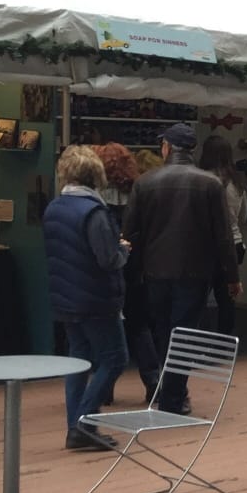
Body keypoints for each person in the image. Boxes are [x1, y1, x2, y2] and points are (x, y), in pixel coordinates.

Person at [123, 123, 240, 415]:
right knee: (185, 333)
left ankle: (171, 392)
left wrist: (132, 271)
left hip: (154, 271)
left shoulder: (145, 182)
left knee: (163, 332)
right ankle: (173, 397)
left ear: (167, 147)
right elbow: (223, 236)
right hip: (195, 271)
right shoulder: (210, 184)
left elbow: (129, 233)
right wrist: (231, 277)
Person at [43, 146, 129, 451]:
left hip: (65, 296)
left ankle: (74, 427)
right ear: (96, 174)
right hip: (95, 298)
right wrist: (124, 250)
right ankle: (83, 422)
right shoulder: (94, 211)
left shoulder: (54, 208)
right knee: (114, 359)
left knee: (77, 361)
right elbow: (107, 258)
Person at [94, 142, 162, 407]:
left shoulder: (96, 196)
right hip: (136, 267)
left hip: (107, 267)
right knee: (139, 326)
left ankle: (105, 388)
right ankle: (153, 382)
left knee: (109, 327)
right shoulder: (141, 191)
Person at [198, 134, 246, 337]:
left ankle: (195, 341)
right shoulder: (238, 182)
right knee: (227, 298)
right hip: (235, 243)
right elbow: (243, 216)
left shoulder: (202, 180)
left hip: (207, 246)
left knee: (199, 297)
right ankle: (225, 343)